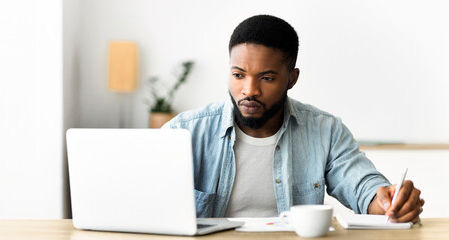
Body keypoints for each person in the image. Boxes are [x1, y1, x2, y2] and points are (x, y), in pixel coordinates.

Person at [162, 14, 424, 223]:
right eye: (238, 75)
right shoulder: (184, 132)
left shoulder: (325, 131)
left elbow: (363, 187)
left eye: (266, 78)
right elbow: (145, 196)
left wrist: (389, 201)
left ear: (292, 79)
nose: (249, 90)